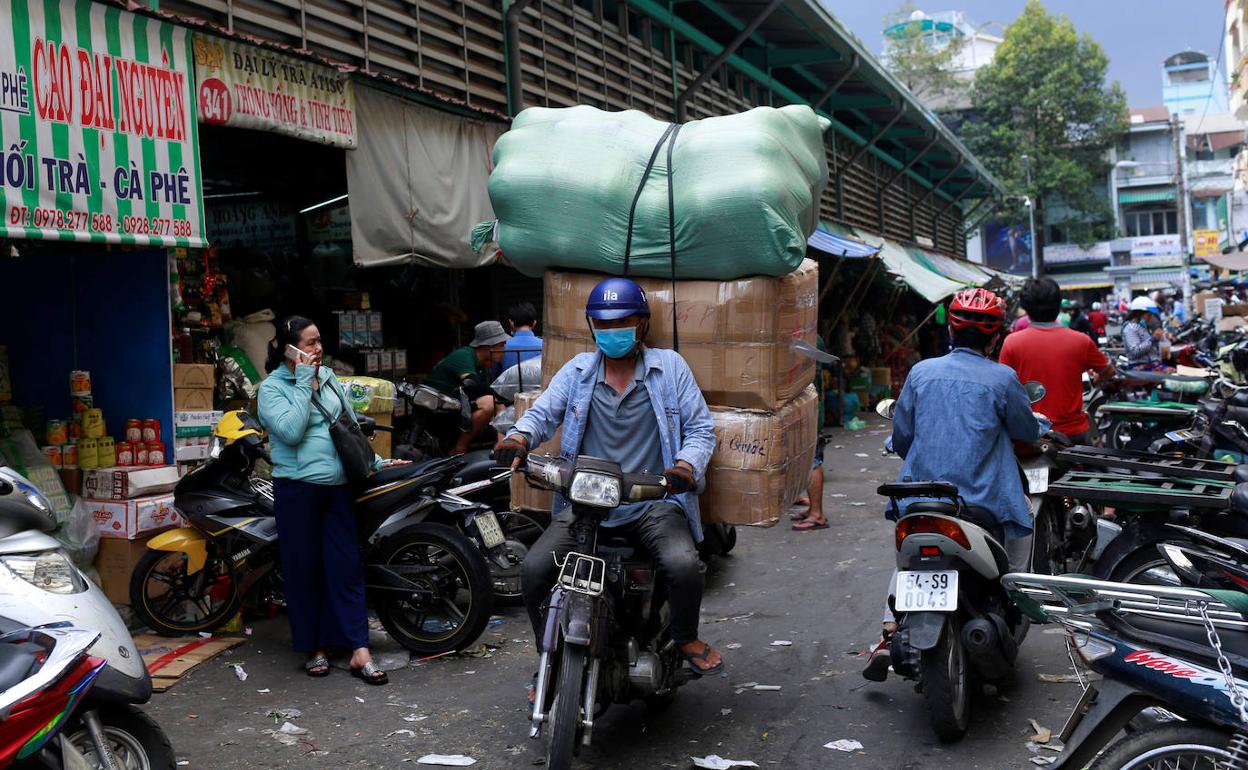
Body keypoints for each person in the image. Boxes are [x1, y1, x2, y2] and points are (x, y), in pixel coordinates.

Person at [493, 277, 724, 685]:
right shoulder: (578, 372)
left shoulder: (670, 368)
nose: (611, 330)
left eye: (622, 322)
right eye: (602, 323)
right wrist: (519, 437)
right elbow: (542, 413)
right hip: (587, 504)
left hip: (652, 502)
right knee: (532, 571)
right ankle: (549, 658)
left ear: (641, 324)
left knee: (684, 565)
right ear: (591, 326)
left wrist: (686, 467)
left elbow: (701, 430)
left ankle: (686, 638)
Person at [862, 288, 1040, 681]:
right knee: (1023, 525)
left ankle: (889, 628)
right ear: (996, 338)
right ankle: (1016, 600)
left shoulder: (921, 372)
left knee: (911, 559)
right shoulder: (1003, 378)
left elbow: (903, 436)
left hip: (920, 498)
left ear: (950, 332)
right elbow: (1025, 431)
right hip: (983, 502)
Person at [257, 316, 391, 685]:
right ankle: (314, 646)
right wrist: (302, 382)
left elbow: (348, 425)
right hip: (297, 490)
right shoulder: (271, 389)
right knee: (305, 571)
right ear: (290, 348)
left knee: (346, 566)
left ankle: (358, 648)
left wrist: (375, 460)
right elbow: (290, 430)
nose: (318, 349)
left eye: (319, 342)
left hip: (338, 488)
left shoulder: (329, 377)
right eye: (311, 343)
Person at [1000, 279, 1114, 444]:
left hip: (1029, 434)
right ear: (1059, 305)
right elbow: (1108, 371)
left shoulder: (1011, 343)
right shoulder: (1081, 341)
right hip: (1072, 435)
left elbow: (1004, 389)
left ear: (1025, 307)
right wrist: (1096, 381)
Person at [425, 320, 511, 454]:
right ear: (490, 346)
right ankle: (459, 447)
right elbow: (472, 385)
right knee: (490, 402)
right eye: (501, 345)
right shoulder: (464, 355)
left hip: (457, 406)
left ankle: (502, 446)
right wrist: (499, 396)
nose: (504, 350)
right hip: (437, 411)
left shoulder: (482, 365)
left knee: (496, 402)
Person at [792, 333, 829, 532]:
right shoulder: (810, 337)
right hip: (807, 407)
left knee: (813, 460)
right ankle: (812, 511)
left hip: (809, 409)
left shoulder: (807, 338)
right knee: (806, 459)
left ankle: (817, 514)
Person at [495, 302, 544, 377]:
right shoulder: (545, 346)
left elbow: (494, 374)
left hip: (507, 388)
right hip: (539, 388)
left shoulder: (501, 346)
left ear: (511, 323)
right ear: (534, 323)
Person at [1122, 296, 1168, 371]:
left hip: (1151, 364)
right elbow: (1135, 351)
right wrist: (1153, 339)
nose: (1150, 317)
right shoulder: (1130, 328)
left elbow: (1148, 346)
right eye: (1148, 315)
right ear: (1139, 313)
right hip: (1139, 368)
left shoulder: (1142, 326)